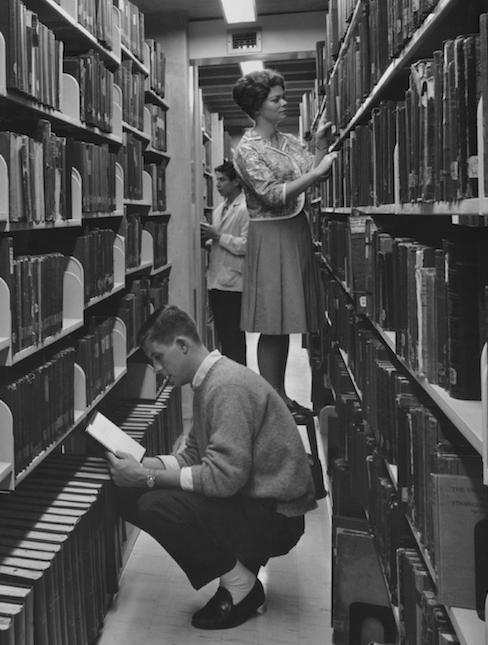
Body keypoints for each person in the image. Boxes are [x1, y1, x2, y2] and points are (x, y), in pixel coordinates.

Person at [105, 304, 316, 630]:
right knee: (129, 491)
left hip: (277, 517)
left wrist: (147, 477)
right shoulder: (209, 382)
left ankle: (241, 587)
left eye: (159, 357)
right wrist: (140, 465)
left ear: (183, 346)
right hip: (257, 500)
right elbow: (193, 455)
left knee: (155, 504)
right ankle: (240, 570)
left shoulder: (225, 387)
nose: (159, 369)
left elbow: (224, 478)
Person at [231, 68, 337, 421]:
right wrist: (316, 172)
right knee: (271, 320)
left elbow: (311, 167)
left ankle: (281, 396)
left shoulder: (288, 142)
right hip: (271, 233)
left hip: (295, 230)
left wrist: (319, 146)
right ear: (258, 106)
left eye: (282, 96)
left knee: (287, 318)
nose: (283, 103)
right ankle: (272, 398)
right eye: (276, 98)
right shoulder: (246, 149)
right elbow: (273, 195)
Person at [200, 160, 249, 365]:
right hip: (217, 282)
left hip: (233, 284)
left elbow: (247, 246)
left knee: (234, 340)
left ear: (236, 181)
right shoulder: (221, 208)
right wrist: (209, 242)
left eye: (222, 180)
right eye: (216, 179)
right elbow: (222, 242)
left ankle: (239, 383)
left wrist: (218, 236)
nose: (218, 184)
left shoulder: (246, 208)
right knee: (224, 338)